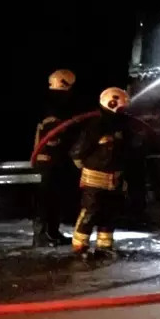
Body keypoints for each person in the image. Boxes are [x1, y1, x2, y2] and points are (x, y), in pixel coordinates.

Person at [70, 87, 133, 259]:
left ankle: (104, 245)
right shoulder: (96, 125)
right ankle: (80, 245)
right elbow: (77, 151)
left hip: (115, 177)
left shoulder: (123, 126)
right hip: (95, 178)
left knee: (109, 212)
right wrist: (88, 167)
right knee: (91, 211)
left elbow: (129, 150)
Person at [31, 69, 78, 247]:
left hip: (53, 160)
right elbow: (53, 137)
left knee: (54, 199)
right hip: (47, 161)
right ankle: (42, 236)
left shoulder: (53, 104)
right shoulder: (54, 106)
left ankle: (52, 232)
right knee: (46, 199)